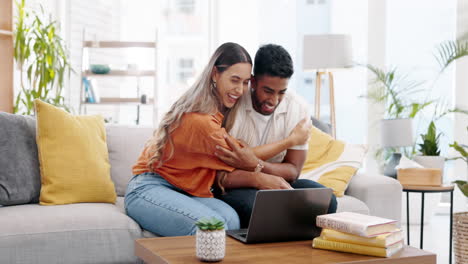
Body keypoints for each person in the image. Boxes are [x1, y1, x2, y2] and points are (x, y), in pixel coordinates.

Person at [124, 42, 309, 236]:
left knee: (231, 219)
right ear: (215, 74)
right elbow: (241, 155)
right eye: (234, 80)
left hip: (186, 189)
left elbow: (243, 156)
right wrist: (290, 141)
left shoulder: (218, 109)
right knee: (214, 228)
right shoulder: (200, 119)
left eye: (245, 82)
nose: (240, 90)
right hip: (149, 187)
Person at [214, 44, 338, 228]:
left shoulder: (297, 107)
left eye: (282, 92)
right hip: (237, 184)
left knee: (326, 199)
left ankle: (298, 252)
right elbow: (226, 166)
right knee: (255, 206)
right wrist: (258, 176)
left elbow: (293, 171)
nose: (274, 100)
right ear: (254, 82)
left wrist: (256, 165)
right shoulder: (235, 102)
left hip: (276, 180)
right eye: (268, 91)